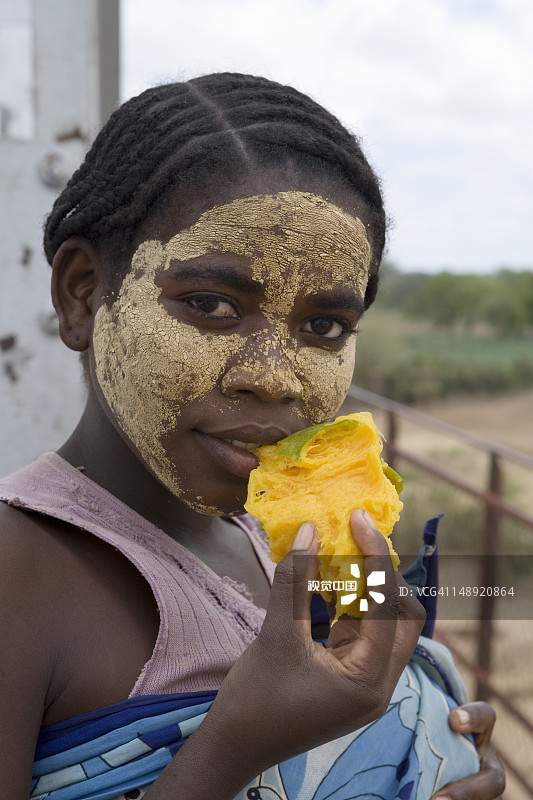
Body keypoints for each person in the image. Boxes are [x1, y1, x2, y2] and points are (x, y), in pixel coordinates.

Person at [0, 73, 505, 800]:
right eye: (209, 304)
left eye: (323, 326)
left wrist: (427, 738)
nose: (273, 378)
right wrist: (235, 744)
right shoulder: (18, 576)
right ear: (83, 293)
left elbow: (392, 690)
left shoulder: (301, 539)